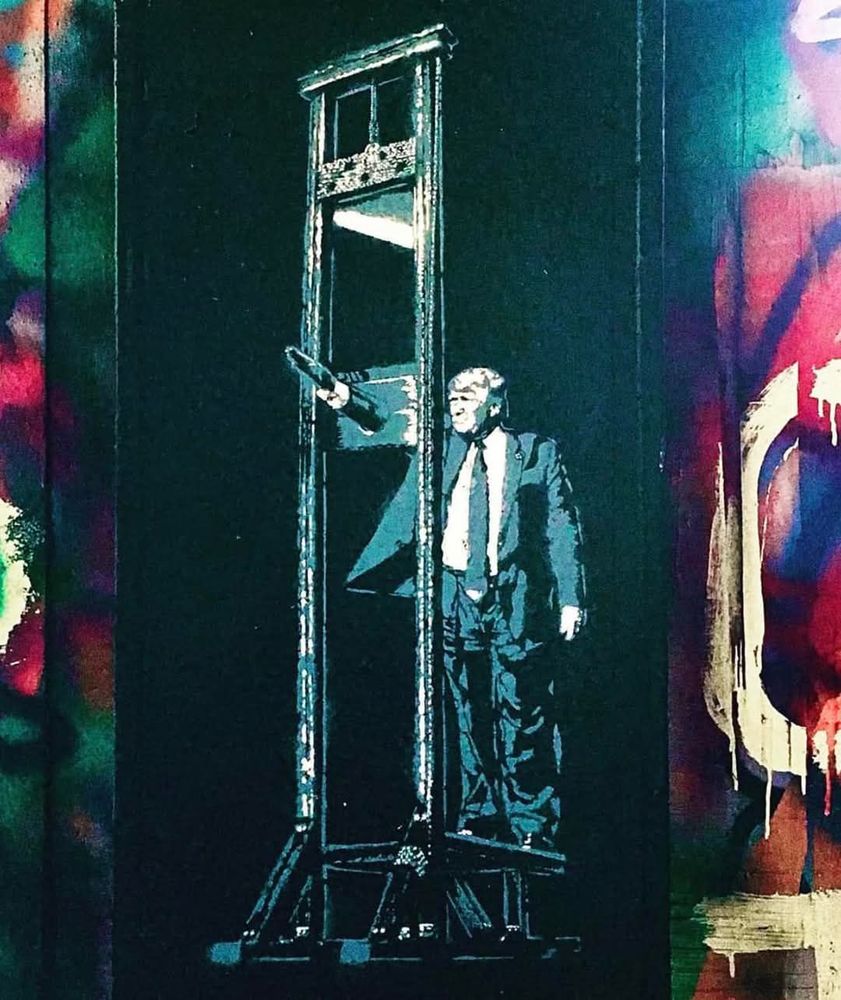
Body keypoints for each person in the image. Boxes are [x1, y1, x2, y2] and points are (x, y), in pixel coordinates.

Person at [318, 366, 586, 851]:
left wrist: (570, 598)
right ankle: (477, 817)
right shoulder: (441, 447)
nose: (456, 402)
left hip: (513, 597)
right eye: (452, 395)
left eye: (468, 395)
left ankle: (531, 822)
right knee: (463, 710)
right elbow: (383, 419)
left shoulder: (536, 451)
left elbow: (561, 527)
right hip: (454, 593)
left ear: (496, 404)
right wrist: (342, 396)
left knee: (522, 710)